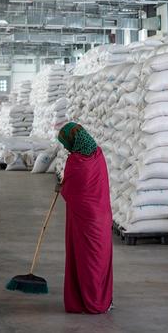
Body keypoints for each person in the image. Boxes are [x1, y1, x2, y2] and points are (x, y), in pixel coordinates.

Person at [57, 122, 113, 314]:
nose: (65, 147)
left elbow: (71, 192)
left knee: (84, 258)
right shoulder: (98, 154)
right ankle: (99, 299)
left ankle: (87, 301)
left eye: (65, 143)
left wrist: (61, 187)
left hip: (83, 220)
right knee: (99, 258)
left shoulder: (75, 161)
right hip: (102, 217)